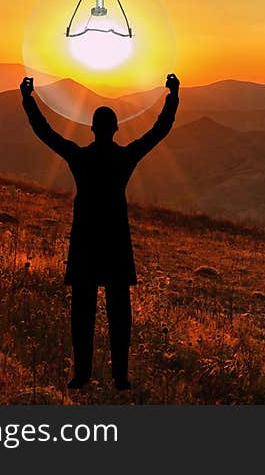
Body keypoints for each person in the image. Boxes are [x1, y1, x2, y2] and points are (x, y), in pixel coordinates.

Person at [20, 74, 180, 390]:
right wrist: (173, 95)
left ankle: (82, 375)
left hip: (84, 246)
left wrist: (28, 98)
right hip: (117, 247)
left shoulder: (80, 157)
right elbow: (160, 130)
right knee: (120, 315)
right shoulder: (124, 158)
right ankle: (120, 376)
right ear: (116, 129)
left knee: (82, 316)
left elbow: (45, 132)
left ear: (93, 129)